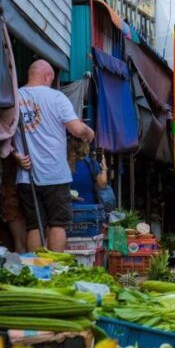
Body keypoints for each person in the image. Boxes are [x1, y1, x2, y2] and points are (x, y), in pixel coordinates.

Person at [14, 60, 95, 252]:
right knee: (58, 224)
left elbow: (3, 133)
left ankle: (36, 270)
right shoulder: (57, 98)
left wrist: (16, 155)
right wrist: (88, 132)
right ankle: (55, 272)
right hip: (55, 174)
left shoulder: (15, 97)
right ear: (47, 76)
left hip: (27, 175)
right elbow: (76, 129)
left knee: (35, 225)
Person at [69, 139, 109, 208]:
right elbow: (102, 184)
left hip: (68, 209)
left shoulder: (63, 162)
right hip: (89, 208)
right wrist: (104, 167)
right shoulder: (90, 162)